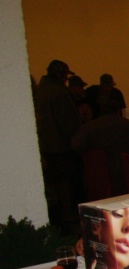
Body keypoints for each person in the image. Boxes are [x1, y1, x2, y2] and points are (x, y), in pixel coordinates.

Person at [34, 59, 83, 235]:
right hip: (61, 148)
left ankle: (59, 222)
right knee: (65, 185)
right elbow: (69, 122)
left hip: (46, 148)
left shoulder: (41, 90)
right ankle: (68, 221)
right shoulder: (59, 92)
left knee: (53, 187)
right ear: (61, 74)